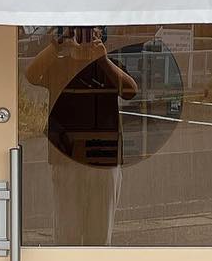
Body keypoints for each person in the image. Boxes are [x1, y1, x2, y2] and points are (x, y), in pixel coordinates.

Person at [24, 28, 139, 245]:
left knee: (100, 235)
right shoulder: (59, 65)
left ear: (100, 34)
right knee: (67, 235)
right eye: (80, 30)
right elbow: (31, 75)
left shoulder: (108, 66)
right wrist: (56, 45)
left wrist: (103, 60)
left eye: (91, 30)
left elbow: (130, 91)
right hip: (66, 157)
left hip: (104, 160)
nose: (85, 36)